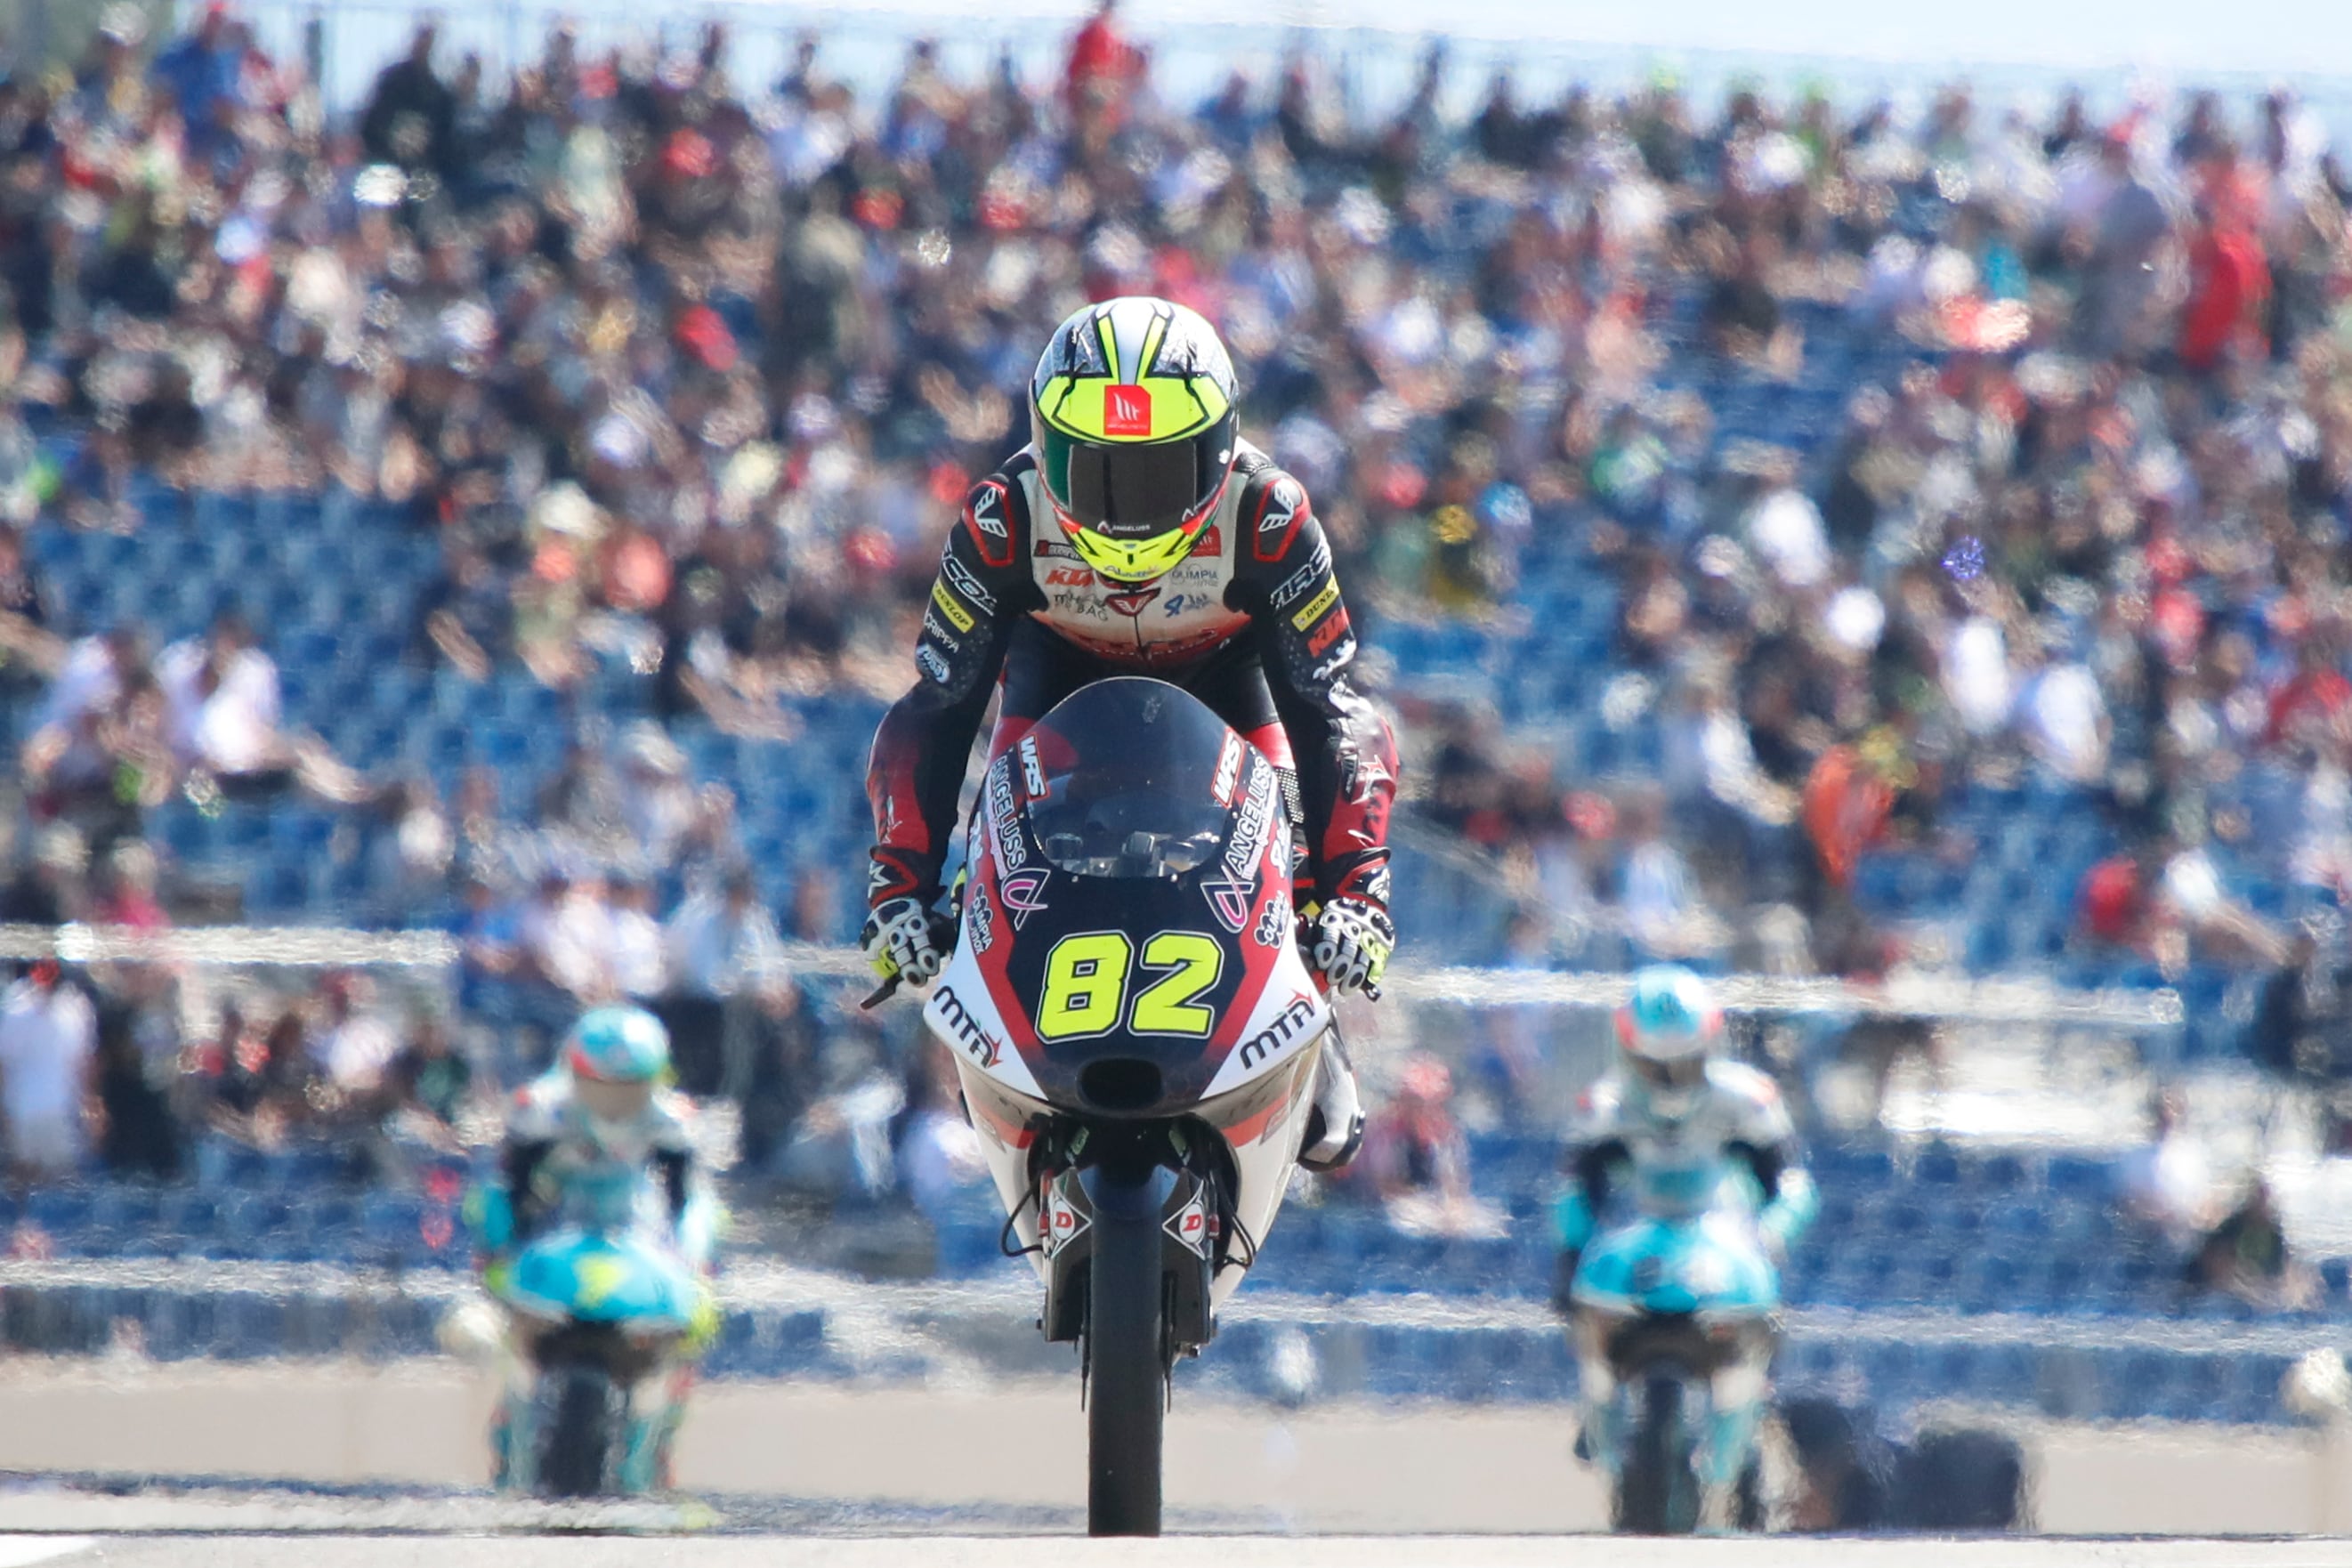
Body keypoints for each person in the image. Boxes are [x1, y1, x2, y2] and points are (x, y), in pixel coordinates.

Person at [861, 297, 1397, 1169]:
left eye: (1153, 474)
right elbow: (937, 705)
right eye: (1091, 469)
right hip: (1060, 682)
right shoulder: (1004, 515)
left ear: (1219, 453)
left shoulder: (1270, 515)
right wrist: (900, 889)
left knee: (1294, 838)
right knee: (1008, 858)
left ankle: (1310, 1021)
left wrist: (1356, 896)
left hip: (1227, 685)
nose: (1119, 507)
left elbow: (1334, 710)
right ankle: (1004, 1052)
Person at [1553, 965, 1817, 1529]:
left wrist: (1771, 1233)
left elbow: (1792, 1186)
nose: (1670, 1077)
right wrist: (1571, 1252)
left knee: (1761, 1324)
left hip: (1721, 1236)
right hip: (1638, 1236)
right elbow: (1576, 1192)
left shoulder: (1747, 1098)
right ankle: (1598, 1417)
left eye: (1683, 1059)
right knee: (1582, 1310)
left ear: (1710, 1042)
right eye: (1656, 1062)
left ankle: (1747, 1433)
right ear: (1628, 1049)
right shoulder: (1604, 1102)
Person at [472, 1006, 714, 1492]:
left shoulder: (673, 1118)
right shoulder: (539, 1107)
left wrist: (693, 1264)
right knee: (495, 1336)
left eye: (628, 1086)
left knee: (695, 1329)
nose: (614, 1101)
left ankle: (657, 1447)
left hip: (635, 1236)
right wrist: (499, 1253)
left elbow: (691, 1200)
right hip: (555, 1233)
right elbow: (503, 1191)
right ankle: (509, 1449)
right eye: (602, 1085)